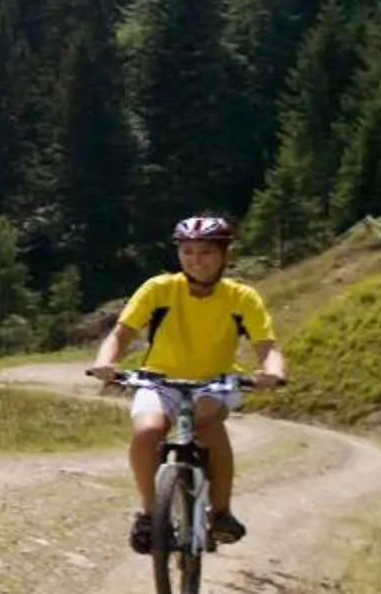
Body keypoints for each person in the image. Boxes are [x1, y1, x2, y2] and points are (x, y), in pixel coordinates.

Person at [84, 213, 287, 553]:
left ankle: (220, 513)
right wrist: (105, 362)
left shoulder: (241, 297)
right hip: (159, 379)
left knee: (205, 421)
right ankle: (150, 514)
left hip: (215, 383)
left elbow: (267, 347)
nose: (196, 260)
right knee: (147, 433)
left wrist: (272, 372)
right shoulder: (159, 289)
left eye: (206, 252)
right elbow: (121, 334)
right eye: (187, 252)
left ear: (224, 255)